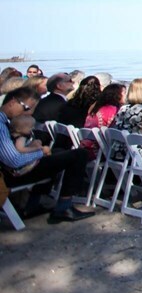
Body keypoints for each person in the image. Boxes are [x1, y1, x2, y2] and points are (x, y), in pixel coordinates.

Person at [0, 87, 95, 223]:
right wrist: (40, 153)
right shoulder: (1, 125)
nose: (29, 113)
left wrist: (35, 149)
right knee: (80, 154)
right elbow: (14, 160)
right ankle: (64, 207)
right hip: (11, 175)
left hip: (12, 171)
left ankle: (32, 204)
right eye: (27, 108)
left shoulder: (5, 121)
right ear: (12, 102)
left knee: (59, 153)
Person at [80, 83, 125, 160]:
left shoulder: (96, 108)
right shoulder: (114, 111)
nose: (126, 95)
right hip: (99, 151)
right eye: (124, 93)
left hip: (84, 147)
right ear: (117, 95)